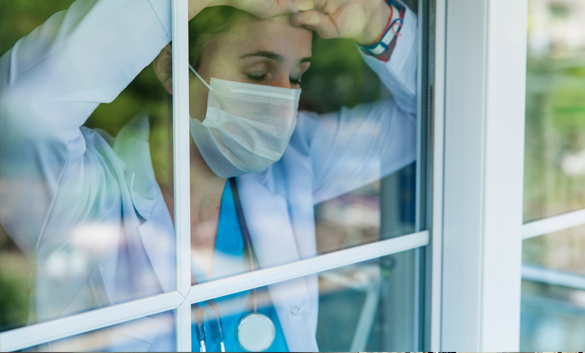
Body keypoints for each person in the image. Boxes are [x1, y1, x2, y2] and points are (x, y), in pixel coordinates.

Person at [0, 0, 417, 350]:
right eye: (257, 74)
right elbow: (23, 110)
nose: (282, 100)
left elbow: (437, 121)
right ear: (171, 68)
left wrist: (381, 26)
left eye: (296, 77)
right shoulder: (85, 193)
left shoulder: (296, 160)